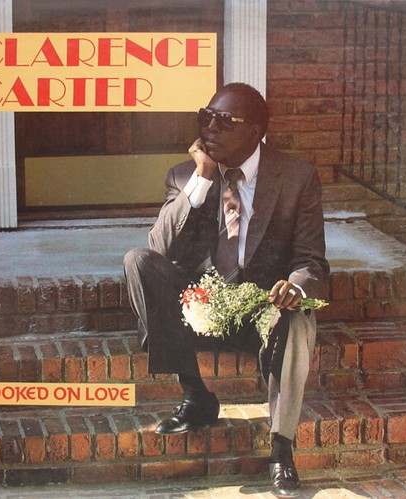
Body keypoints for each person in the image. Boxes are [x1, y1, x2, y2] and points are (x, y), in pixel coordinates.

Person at [124, 82, 329, 497]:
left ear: (254, 131)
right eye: (206, 117)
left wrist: (294, 287)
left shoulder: (296, 177)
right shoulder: (184, 175)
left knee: (299, 316)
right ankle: (195, 395)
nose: (210, 128)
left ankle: (281, 448)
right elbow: (159, 247)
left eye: (224, 121)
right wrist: (201, 177)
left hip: (262, 305)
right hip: (202, 303)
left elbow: (312, 260)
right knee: (137, 261)